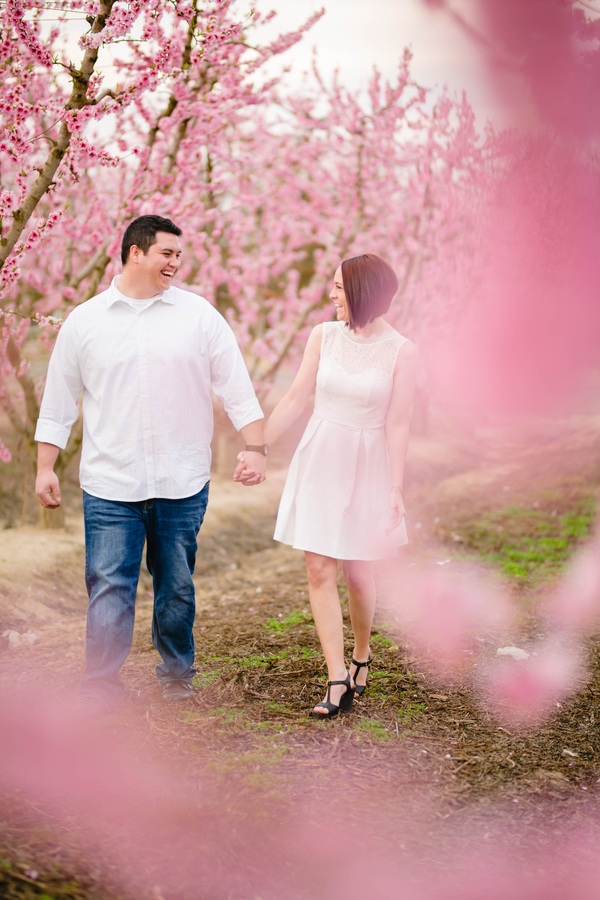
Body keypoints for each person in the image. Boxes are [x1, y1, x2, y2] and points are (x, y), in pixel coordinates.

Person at [35, 214, 267, 713]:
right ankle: (99, 687)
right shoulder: (86, 321)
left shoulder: (199, 316)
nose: (176, 263)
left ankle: (177, 674)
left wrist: (256, 446)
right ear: (135, 253)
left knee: (177, 586)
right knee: (108, 587)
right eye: (167, 253)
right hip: (109, 481)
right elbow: (58, 402)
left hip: (181, 480)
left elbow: (236, 385)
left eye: (180, 256)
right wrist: (45, 467)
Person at [237, 253, 418, 718]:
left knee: (359, 573)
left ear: (362, 292)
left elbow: (398, 424)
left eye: (338, 288)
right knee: (319, 568)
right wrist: (258, 448)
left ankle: (361, 657)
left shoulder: (402, 351)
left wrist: (397, 487)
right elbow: (298, 396)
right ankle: (336, 676)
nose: (331, 295)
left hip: (369, 464)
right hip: (321, 458)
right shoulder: (323, 336)